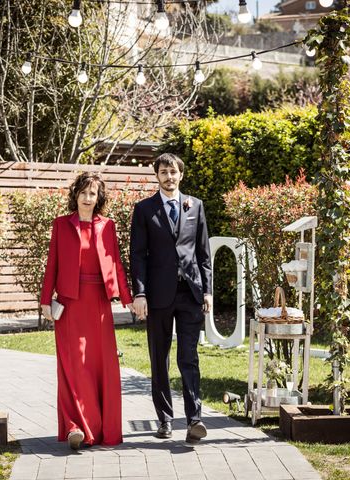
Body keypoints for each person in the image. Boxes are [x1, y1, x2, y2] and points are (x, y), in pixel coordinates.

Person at [40, 172, 134, 450]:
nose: (87, 198)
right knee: (74, 366)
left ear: (98, 198)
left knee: (101, 365)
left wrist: (127, 298)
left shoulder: (108, 226)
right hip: (70, 304)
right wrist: (46, 299)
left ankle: (102, 429)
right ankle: (75, 428)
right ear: (76, 195)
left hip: (99, 306)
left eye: (92, 194)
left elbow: (116, 263)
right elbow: (52, 264)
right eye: (83, 192)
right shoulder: (60, 225)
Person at [129, 153, 213, 444]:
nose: (169, 177)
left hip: (190, 293)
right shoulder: (143, 210)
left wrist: (207, 290)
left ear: (181, 175)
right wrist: (139, 293)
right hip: (157, 295)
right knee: (160, 359)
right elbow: (137, 255)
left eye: (173, 172)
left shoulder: (196, 206)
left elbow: (203, 254)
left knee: (188, 357)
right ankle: (164, 420)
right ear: (157, 175)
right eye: (163, 172)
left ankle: (195, 420)